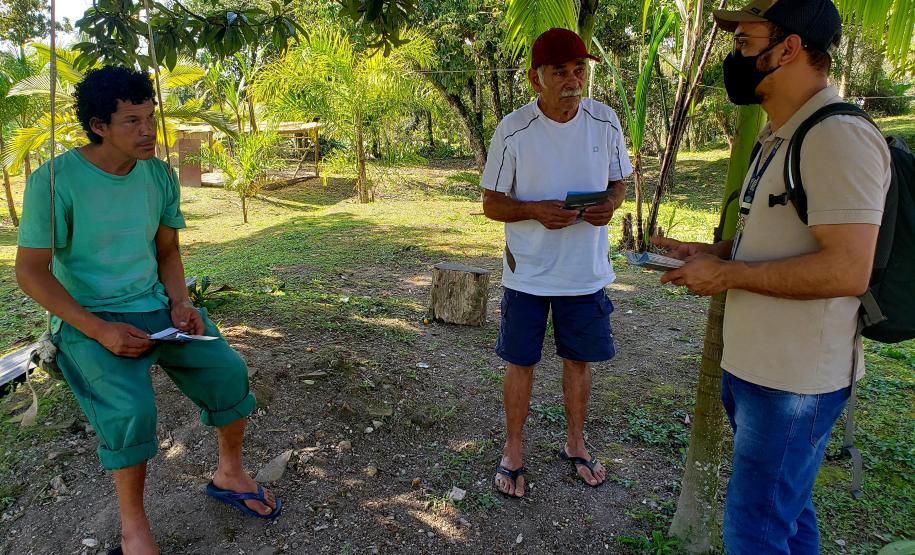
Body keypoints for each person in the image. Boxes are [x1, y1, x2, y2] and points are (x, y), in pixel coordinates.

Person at [653, 1, 891, 552]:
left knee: (754, 531)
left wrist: (729, 274)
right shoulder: (781, 133)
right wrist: (708, 252)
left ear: (788, 48)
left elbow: (848, 267)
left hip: (794, 382)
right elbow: (779, 235)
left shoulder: (837, 138)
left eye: (744, 42)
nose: (734, 55)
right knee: (787, 512)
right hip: (759, 369)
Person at [15, 66, 280, 555]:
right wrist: (98, 331)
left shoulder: (158, 174)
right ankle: (134, 529)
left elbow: (167, 253)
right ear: (99, 126)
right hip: (87, 319)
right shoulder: (53, 182)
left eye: (150, 118)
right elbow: (31, 272)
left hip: (156, 308)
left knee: (227, 371)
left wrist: (180, 302)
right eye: (132, 121)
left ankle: (229, 472)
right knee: (132, 411)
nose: (148, 132)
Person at [481, 28, 632, 498]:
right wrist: (534, 210)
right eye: (560, 72)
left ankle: (576, 443)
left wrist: (610, 203)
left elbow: (618, 182)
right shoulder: (513, 130)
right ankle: (513, 450)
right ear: (535, 78)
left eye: (579, 71)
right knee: (519, 363)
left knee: (578, 362)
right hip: (528, 271)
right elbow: (491, 203)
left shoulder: (604, 121)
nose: (572, 81)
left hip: (585, 273)